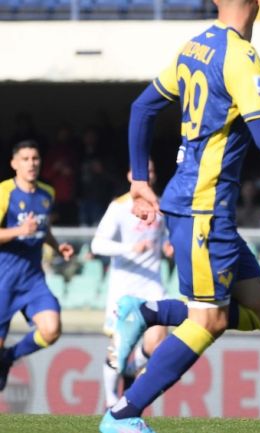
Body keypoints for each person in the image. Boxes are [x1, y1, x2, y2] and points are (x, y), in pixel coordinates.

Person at [99, 0, 260, 430]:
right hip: (203, 209)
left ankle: (146, 311)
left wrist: (137, 179)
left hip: (204, 207)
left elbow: (142, 108)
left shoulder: (195, 45)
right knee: (209, 319)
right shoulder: (239, 54)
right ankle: (123, 413)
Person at [91, 161, 173, 409]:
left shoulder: (160, 205)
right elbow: (97, 245)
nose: (148, 175)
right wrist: (130, 248)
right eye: (142, 171)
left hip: (153, 284)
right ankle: (111, 400)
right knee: (119, 347)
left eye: (151, 170)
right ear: (130, 175)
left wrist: (170, 246)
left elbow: (166, 237)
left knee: (157, 340)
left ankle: (131, 368)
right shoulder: (118, 208)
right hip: (123, 288)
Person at [0, 140, 74, 391]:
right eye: (25, 159)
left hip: (32, 280)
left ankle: (8, 358)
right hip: (3, 281)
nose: (31, 164)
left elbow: (43, 229)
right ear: (14, 163)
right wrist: (20, 230)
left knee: (51, 329)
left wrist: (56, 245)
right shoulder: (4, 192)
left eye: (35, 158)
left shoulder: (47, 193)